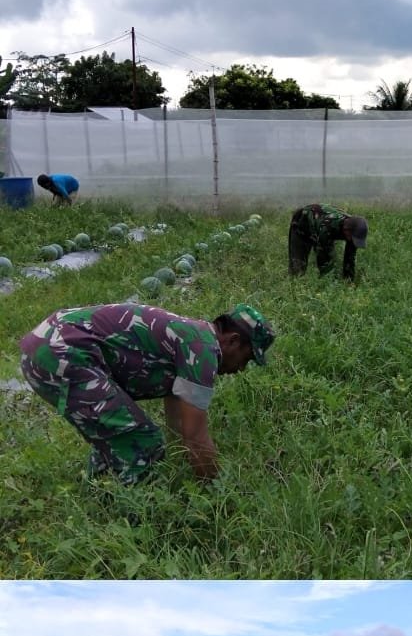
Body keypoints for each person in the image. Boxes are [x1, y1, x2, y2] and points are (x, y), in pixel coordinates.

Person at [19, 302, 275, 485]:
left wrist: (179, 461)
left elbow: (180, 426)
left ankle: (98, 497)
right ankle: (135, 525)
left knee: (116, 435)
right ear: (232, 341)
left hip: (47, 346)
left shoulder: (193, 339)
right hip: (61, 352)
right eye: (247, 358)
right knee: (142, 442)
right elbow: (196, 438)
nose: (241, 369)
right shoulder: (203, 351)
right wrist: (217, 494)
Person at [289, 203, 367, 281]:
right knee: (297, 266)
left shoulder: (354, 227)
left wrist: (349, 281)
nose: (353, 241)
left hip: (318, 224)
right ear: (346, 231)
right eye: (353, 238)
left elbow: (349, 259)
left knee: (332, 258)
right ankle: (293, 286)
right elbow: (324, 259)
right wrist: (328, 283)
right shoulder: (327, 227)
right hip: (302, 224)